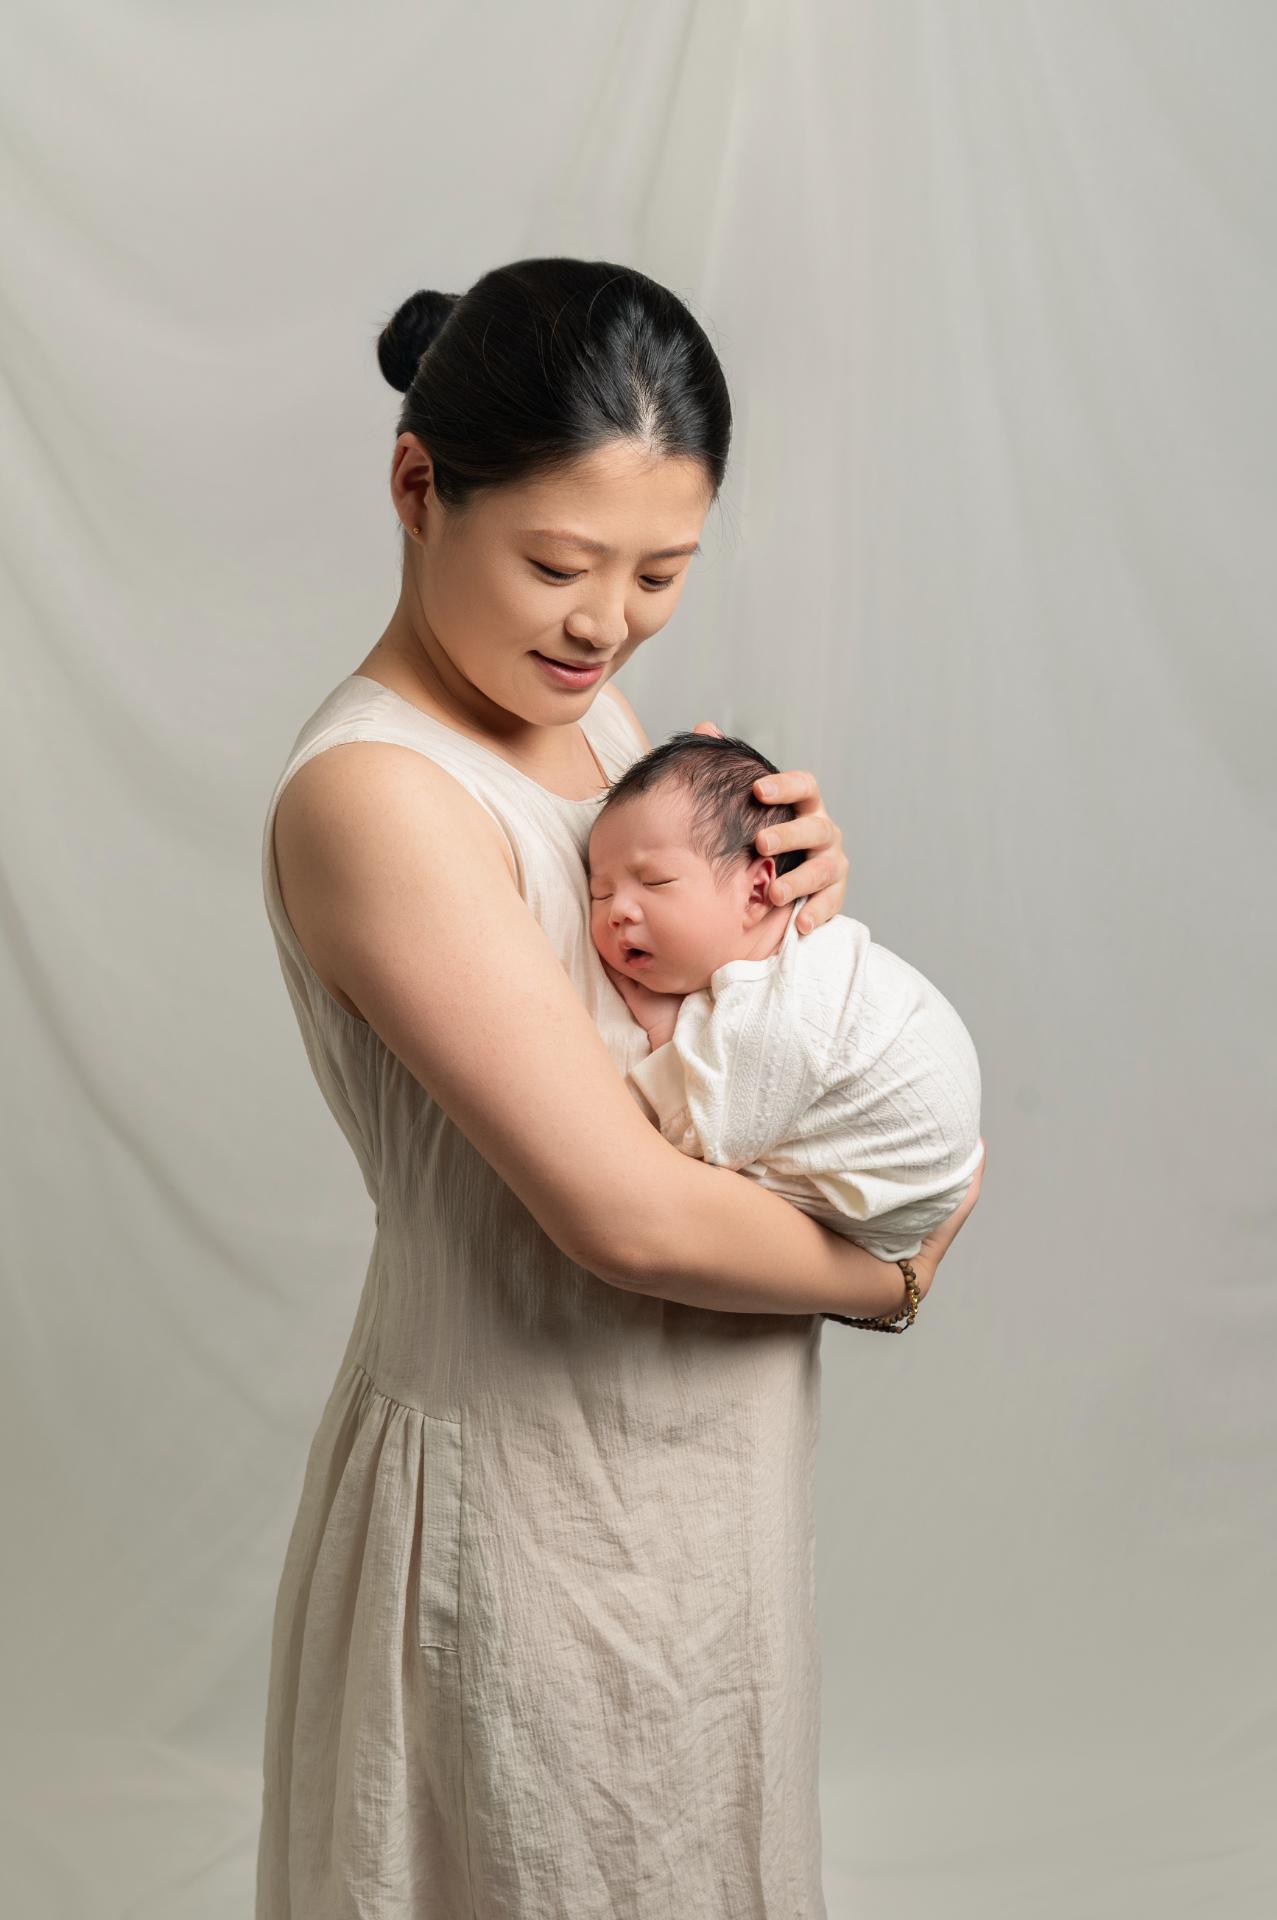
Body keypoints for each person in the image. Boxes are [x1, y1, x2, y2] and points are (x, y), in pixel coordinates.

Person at [255, 256, 986, 1920]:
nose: (605, 625)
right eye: (557, 564)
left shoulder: (587, 723)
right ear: (417, 489)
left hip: (693, 1488)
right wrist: (892, 1267)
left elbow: (669, 1044)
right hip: (519, 1514)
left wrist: (777, 933)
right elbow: (620, 1211)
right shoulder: (378, 797)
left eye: (661, 571)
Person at [586, 729, 984, 1264]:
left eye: (654, 882)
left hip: (890, 1199)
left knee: (716, 1177)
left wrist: (663, 1031)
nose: (618, 911)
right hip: (926, 1169)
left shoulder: (789, 1003)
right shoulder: (772, 960)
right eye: (600, 891)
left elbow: (696, 1139)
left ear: (757, 891)